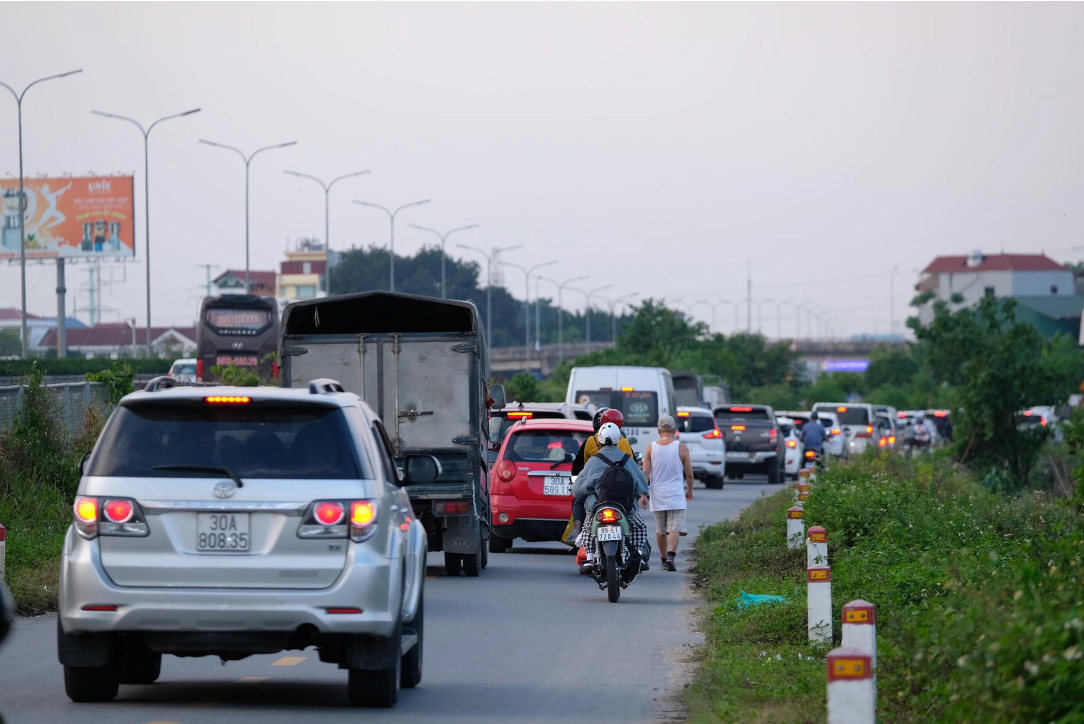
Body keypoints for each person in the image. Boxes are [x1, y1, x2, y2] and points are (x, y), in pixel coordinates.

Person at [573, 422, 649, 576]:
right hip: (625, 508)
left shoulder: (593, 461)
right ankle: (638, 555)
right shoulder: (628, 460)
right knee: (639, 527)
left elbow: (578, 488)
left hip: (597, 507)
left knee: (588, 528)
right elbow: (642, 485)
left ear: (599, 440)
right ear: (618, 439)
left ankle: (589, 558)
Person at [567, 407, 634, 549]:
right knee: (636, 522)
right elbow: (633, 469)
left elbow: (582, 467)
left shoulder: (591, 442)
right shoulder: (625, 444)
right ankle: (637, 549)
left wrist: (579, 485)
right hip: (621, 492)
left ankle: (576, 532)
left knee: (579, 502)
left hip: (596, 493)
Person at [642, 415, 693, 571]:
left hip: (657, 494)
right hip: (676, 494)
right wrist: (689, 489)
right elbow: (689, 474)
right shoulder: (681, 447)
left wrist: (644, 494)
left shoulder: (650, 447)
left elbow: (645, 473)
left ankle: (664, 560)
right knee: (674, 527)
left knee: (660, 529)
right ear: (674, 430)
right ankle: (671, 555)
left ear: (659, 430)